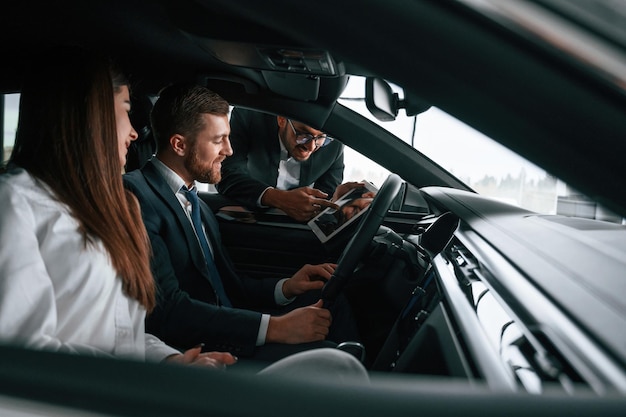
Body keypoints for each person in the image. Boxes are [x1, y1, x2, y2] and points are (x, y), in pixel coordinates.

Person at [0, 49, 367, 380]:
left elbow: (122, 332)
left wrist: (167, 363)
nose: (132, 132)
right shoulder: (22, 204)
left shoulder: (158, 207)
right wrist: (273, 328)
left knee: (338, 339)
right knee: (336, 367)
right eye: (127, 111)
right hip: (122, 387)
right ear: (90, 117)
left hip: (163, 370)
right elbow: (24, 359)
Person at [123, 83, 360, 364]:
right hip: (205, 349)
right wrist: (275, 328)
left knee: (333, 300)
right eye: (218, 140)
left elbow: (229, 286)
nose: (230, 150)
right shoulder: (136, 197)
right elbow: (169, 310)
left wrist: (286, 288)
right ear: (179, 144)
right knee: (335, 358)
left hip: (231, 325)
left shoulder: (197, 204)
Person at [217, 107, 366, 222]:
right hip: (249, 217)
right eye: (303, 135)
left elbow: (324, 200)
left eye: (320, 138)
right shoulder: (249, 117)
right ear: (281, 120)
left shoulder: (333, 145)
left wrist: (337, 201)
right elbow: (225, 174)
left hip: (295, 227)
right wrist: (279, 199)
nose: (311, 147)